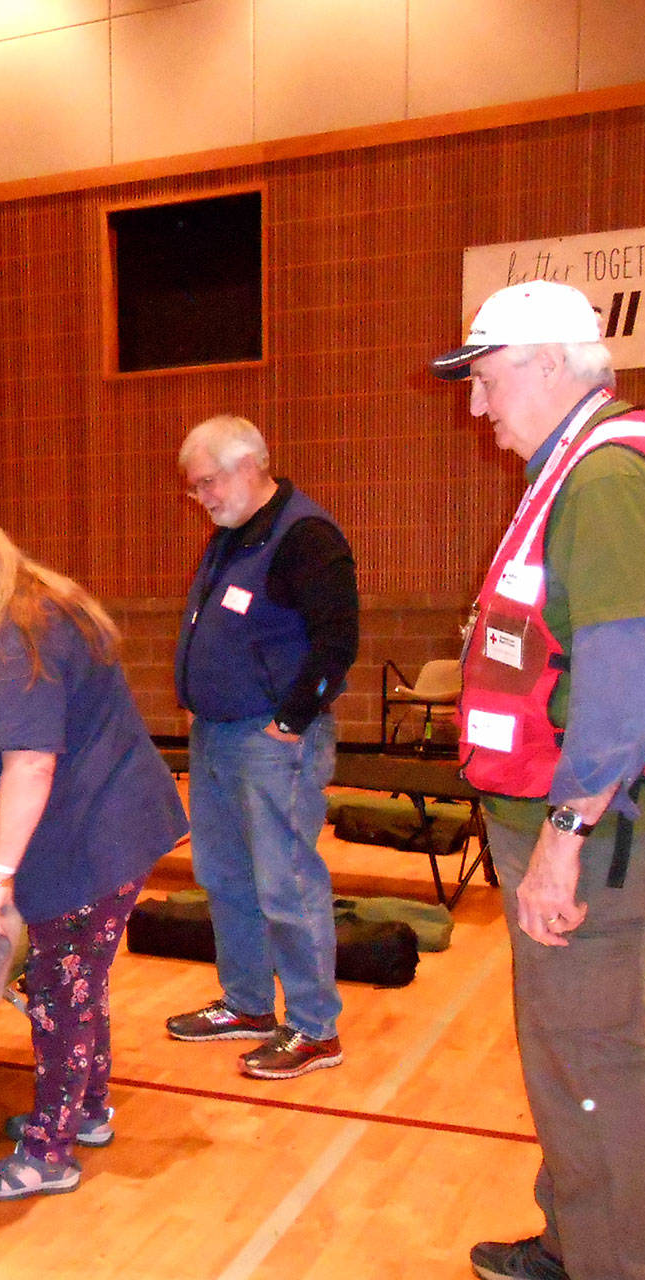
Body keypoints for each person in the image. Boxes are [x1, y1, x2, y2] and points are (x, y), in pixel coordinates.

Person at [432, 279, 645, 1280]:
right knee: (562, 1048)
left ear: (550, 362)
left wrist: (561, 833)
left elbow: (619, 675)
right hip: (586, 814)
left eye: (486, 379)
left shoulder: (602, 480)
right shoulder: (583, 464)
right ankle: (577, 1241)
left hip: (599, 822)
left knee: (590, 1059)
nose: (474, 407)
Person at [0, 498, 186, 1200]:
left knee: (62, 988)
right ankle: (83, 1110)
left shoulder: (16, 638)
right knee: (80, 982)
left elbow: (31, 765)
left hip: (90, 838)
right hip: (78, 834)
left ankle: (48, 1153)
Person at [164, 415, 359, 1080]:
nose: (201, 498)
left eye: (207, 483)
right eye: (195, 488)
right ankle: (248, 1005)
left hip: (272, 740)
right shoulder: (232, 535)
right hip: (217, 736)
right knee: (224, 876)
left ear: (250, 465)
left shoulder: (305, 536)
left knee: (287, 882)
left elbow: (338, 644)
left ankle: (313, 1028)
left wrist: (292, 720)